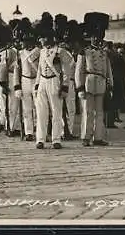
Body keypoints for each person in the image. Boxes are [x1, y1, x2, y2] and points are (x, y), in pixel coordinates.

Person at [33, 13, 73, 149]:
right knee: (41, 112)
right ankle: (40, 139)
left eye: (42, 37)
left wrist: (65, 86)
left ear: (49, 38)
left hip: (55, 81)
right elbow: (39, 69)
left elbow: (66, 71)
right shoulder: (43, 52)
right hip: (43, 82)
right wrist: (37, 84)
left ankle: (56, 139)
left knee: (56, 112)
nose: (40, 40)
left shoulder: (60, 51)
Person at [75, 12, 113, 147]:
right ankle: (86, 137)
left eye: (98, 37)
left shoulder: (104, 52)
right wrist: (79, 87)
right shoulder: (84, 52)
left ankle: (98, 137)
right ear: (90, 38)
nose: (96, 40)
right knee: (88, 111)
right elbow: (79, 71)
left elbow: (108, 70)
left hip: (101, 84)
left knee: (100, 112)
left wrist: (110, 85)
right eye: (94, 37)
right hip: (88, 83)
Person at [13, 18, 40, 141]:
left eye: (26, 41)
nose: (23, 43)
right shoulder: (20, 54)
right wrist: (17, 86)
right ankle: (29, 132)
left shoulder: (39, 52)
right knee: (26, 108)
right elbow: (16, 71)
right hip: (24, 81)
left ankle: (38, 129)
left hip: (36, 80)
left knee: (38, 107)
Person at [53, 15, 77, 140]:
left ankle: (69, 130)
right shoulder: (58, 47)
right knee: (60, 107)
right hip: (60, 79)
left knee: (70, 108)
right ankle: (63, 131)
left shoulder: (67, 45)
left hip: (70, 79)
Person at [0, 23, 21, 137]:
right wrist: (4, 84)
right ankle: (10, 127)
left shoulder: (5, 52)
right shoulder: (10, 52)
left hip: (6, 78)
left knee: (8, 104)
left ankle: (9, 125)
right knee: (12, 104)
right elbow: (3, 68)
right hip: (9, 77)